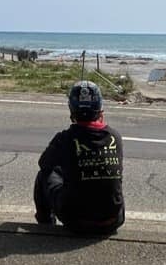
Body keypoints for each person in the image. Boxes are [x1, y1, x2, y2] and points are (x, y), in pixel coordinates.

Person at [34, 80, 125, 235]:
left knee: (44, 174)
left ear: (72, 110)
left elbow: (44, 163)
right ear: (100, 110)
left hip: (76, 221)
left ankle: (46, 224)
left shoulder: (65, 138)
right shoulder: (114, 136)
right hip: (113, 220)